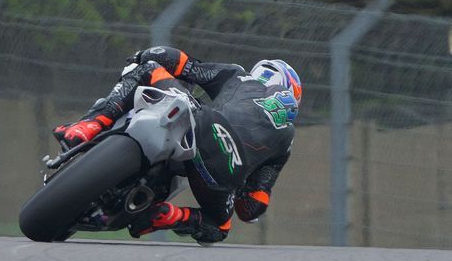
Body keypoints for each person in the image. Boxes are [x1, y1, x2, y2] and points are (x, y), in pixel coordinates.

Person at [54, 46, 301, 243]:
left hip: (203, 122)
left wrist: (143, 55)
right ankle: (173, 216)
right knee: (219, 226)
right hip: (226, 170)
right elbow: (253, 207)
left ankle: (88, 126)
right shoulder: (287, 139)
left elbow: (180, 61)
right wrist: (241, 186)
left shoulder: (239, 76)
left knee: (149, 69)